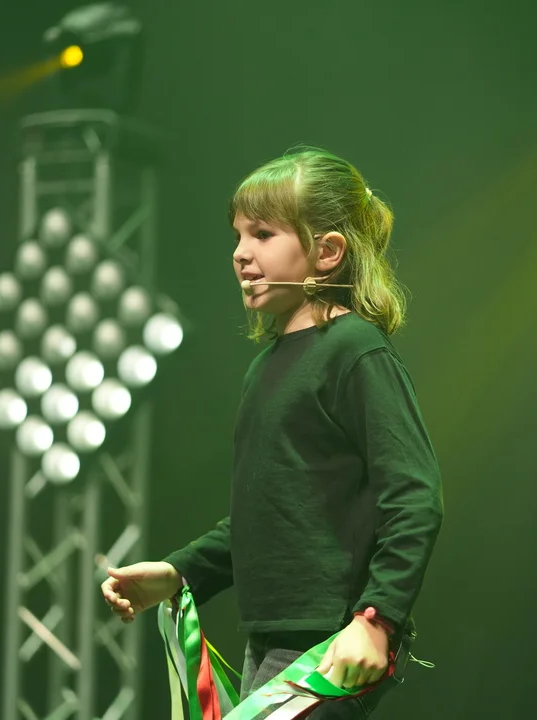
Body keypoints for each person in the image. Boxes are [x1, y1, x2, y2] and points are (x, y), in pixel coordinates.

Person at [100, 147, 444, 718]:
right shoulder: (266, 366)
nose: (240, 252)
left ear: (327, 252)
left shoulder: (355, 351)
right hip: (270, 637)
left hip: (331, 642)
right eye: (238, 235)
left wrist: (376, 620)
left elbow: (414, 497)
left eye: (262, 233)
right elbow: (268, 513)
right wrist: (180, 572)